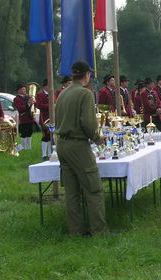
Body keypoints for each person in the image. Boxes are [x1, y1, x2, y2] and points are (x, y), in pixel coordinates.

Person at [55, 60, 108, 236]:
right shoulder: (84, 94)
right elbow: (87, 122)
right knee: (93, 189)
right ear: (87, 75)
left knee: (71, 192)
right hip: (77, 144)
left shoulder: (63, 94)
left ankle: (76, 231)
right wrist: (97, 137)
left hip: (62, 144)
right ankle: (99, 231)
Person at [14, 83, 36, 151]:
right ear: (19, 90)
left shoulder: (28, 96)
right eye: (23, 89)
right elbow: (20, 108)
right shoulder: (16, 98)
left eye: (25, 89)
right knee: (24, 133)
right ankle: (23, 147)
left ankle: (28, 147)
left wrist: (34, 102)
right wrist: (28, 103)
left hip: (30, 117)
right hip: (24, 118)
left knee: (30, 132)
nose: (25, 90)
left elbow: (33, 106)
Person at [36, 79, 52, 160]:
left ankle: (50, 154)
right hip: (44, 118)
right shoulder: (40, 94)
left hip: (52, 117)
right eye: (48, 86)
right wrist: (50, 105)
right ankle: (43, 154)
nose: (50, 87)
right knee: (45, 136)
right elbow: (39, 105)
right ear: (45, 86)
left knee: (51, 135)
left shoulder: (51, 93)